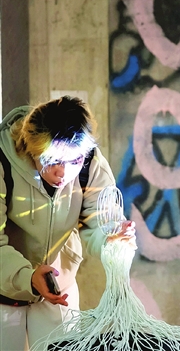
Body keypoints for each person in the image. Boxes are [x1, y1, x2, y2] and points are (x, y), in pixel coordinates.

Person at [0, 96, 137, 350]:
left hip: (58, 291)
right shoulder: (3, 160)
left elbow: (98, 220)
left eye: (74, 162)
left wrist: (111, 238)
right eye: (53, 161)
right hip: (3, 290)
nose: (63, 173)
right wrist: (27, 277)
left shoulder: (89, 161)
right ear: (32, 148)